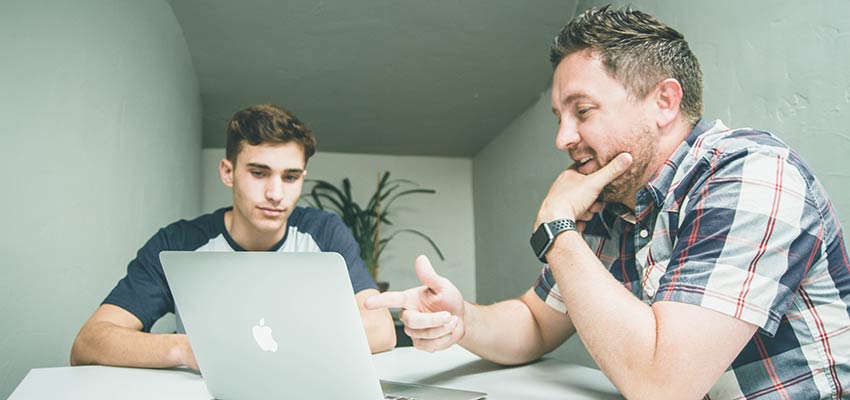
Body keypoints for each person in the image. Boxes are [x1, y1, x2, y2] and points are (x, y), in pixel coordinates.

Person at [366, 6, 850, 399]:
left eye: (582, 111)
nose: (562, 137)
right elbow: (535, 322)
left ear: (664, 102)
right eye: (559, 116)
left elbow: (664, 386)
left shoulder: (752, 174)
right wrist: (462, 319)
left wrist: (556, 227)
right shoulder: (615, 201)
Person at [71, 104, 396, 370]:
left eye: (290, 177)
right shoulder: (178, 243)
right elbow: (89, 342)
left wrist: (266, 345)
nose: (275, 193)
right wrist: (187, 350)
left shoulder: (323, 233)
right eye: (259, 173)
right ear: (228, 172)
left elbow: (381, 329)